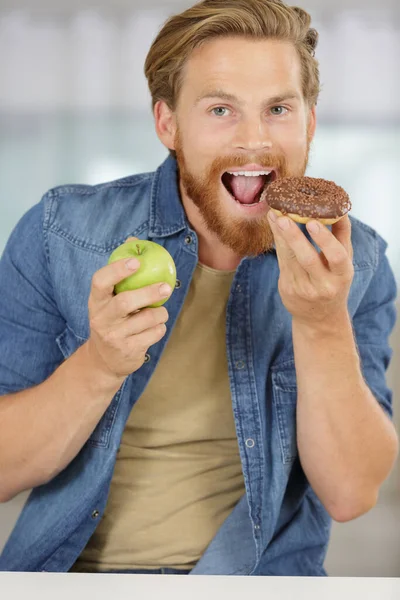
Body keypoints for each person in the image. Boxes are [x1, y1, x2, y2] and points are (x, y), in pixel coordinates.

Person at [0, 0, 398, 576]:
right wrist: (101, 364)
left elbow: (352, 494)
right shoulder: (58, 234)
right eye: (220, 109)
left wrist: (321, 321)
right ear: (168, 124)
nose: (255, 139)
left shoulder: (357, 261)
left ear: (309, 121)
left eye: (279, 108)